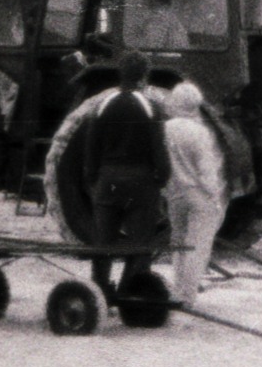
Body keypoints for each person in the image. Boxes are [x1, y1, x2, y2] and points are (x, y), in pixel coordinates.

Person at [82, 51, 171, 300]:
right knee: (140, 245)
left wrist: (94, 182)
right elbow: (159, 153)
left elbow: (90, 151)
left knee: (103, 244)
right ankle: (132, 294)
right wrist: (160, 181)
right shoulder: (150, 107)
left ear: (121, 74)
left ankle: (99, 294)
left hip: (107, 181)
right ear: (144, 76)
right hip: (141, 183)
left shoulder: (102, 106)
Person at [163, 82, 232, 303]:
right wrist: (216, 198)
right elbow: (207, 171)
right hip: (199, 194)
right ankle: (188, 294)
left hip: (174, 192)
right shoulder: (200, 132)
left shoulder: (165, 128)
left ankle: (178, 287)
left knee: (179, 242)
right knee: (197, 245)